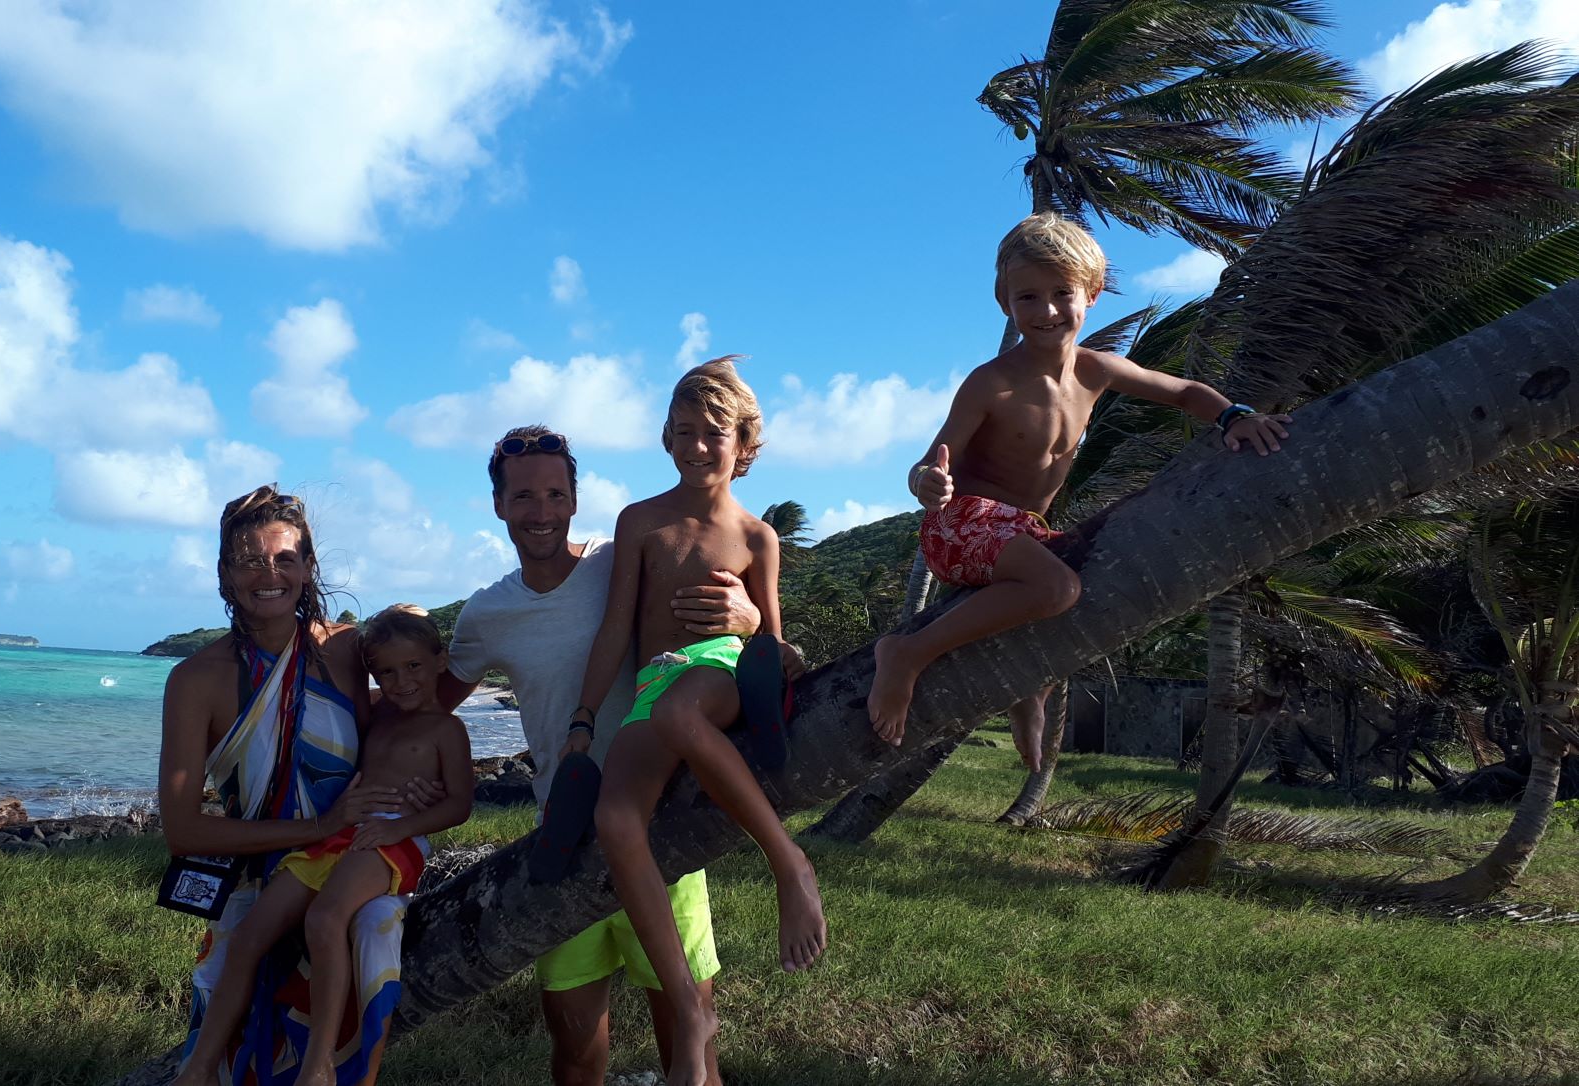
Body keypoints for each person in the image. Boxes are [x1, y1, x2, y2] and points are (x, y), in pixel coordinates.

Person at [866, 212, 1293, 767]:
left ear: (1090, 294)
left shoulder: (1097, 370)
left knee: (1088, 595)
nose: (1046, 311)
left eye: (1061, 294)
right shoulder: (990, 382)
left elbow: (1186, 391)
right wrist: (928, 482)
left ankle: (1029, 688)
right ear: (1004, 303)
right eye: (1027, 297)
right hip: (960, 524)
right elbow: (928, 462)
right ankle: (906, 653)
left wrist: (1234, 415)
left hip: (1024, 533)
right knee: (1058, 589)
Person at [435, 424, 773, 1086]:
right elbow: (429, 702)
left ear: (574, 499)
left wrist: (752, 618)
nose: (540, 512)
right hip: (564, 838)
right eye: (523, 496)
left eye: (554, 494)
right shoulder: (486, 613)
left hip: (662, 832)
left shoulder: (627, 558)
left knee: (691, 1048)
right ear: (498, 504)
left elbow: (723, 617)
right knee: (576, 1054)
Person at [572, 357, 824, 1086]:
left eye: (714, 432)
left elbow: (773, 648)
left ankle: (790, 863)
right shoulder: (640, 521)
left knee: (684, 710)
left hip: (717, 673)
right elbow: (616, 630)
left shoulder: (757, 537)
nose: (697, 445)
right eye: (683, 431)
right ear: (666, 438)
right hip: (654, 684)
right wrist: (584, 719)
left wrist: (748, 621)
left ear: (744, 443)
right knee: (615, 819)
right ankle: (689, 1009)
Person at [158, 486, 413, 1086]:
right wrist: (317, 826)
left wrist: (422, 783)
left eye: (284, 559)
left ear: (307, 567)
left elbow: (413, 703)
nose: (268, 575)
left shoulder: (347, 650)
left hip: (349, 858)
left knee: (368, 933)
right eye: (249, 561)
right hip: (255, 875)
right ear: (225, 573)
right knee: (230, 1009)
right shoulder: (196, 680)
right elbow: (183, 831)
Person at [177, 604, 472, 1086]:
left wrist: (402, 826)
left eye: (414, 666)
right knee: (250, 934)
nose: (401, 681)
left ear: (440, 661)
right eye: (387, 672)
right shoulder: (378, 715)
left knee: (324, 918)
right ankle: (200, 1066)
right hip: (340, 833)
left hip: (392, 840)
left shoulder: (447, 730)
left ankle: (318, 1065)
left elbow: (460, 805)